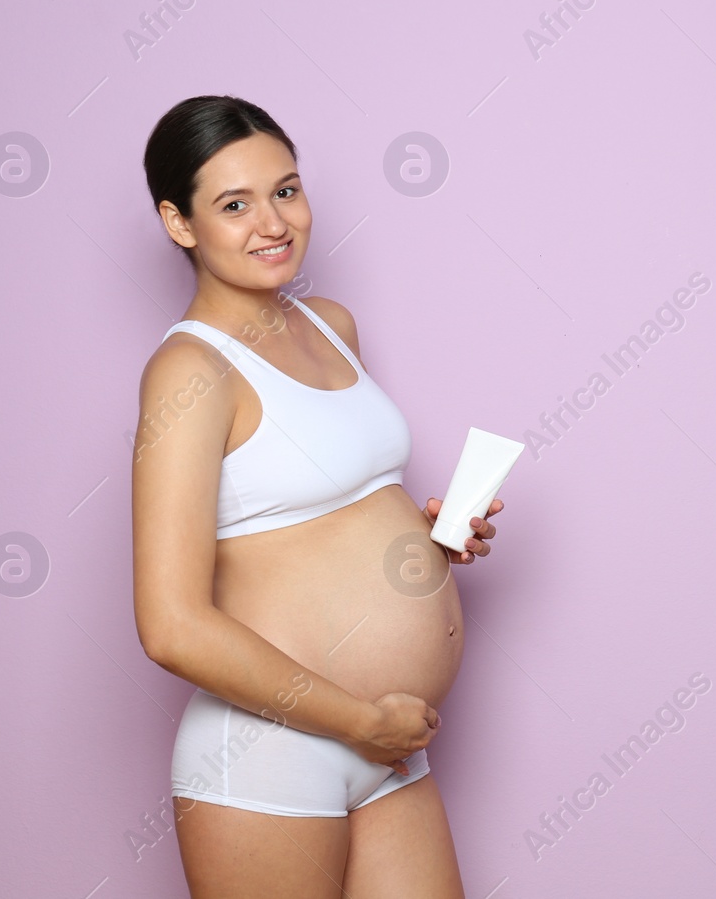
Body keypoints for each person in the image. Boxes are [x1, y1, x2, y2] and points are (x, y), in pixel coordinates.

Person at [131, 95, 497, 898]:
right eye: (234, 204)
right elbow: (170, 625)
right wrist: (360, 722)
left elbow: (320, 528)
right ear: (178, 222)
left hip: (390, 743)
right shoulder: (190, 373)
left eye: (286, 190)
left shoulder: (332, 325)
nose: (274, 221)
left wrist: (426, 549)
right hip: (273, 750)